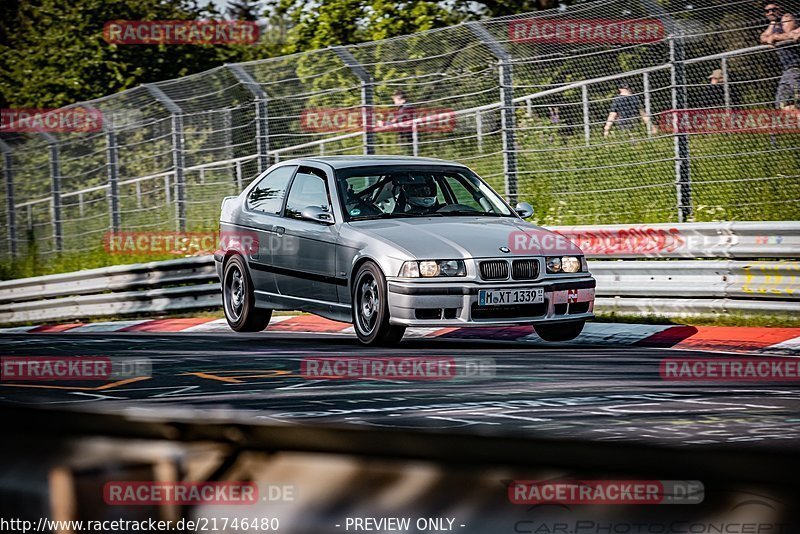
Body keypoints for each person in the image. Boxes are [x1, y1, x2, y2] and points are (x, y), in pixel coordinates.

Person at [759, 2, 799, 108]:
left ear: (779, 10)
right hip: (787, 68)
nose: (770, 13)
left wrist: (775, 37)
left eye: (773, 10)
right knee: (782, 104)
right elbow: (763, 37)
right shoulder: (773, 24)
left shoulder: (786, 18)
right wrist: (772, 28)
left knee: (796, 99)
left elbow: (791, 35)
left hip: (796, 65)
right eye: (767, 11)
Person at [378, 90, 415, 154]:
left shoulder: (406, 108)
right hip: (406, 136)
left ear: (400, 99)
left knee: (407, 152)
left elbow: (397, 121)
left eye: (395, 100)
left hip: (408, 137)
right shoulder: (403, 107)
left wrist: (383, 123)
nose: (394, 102)